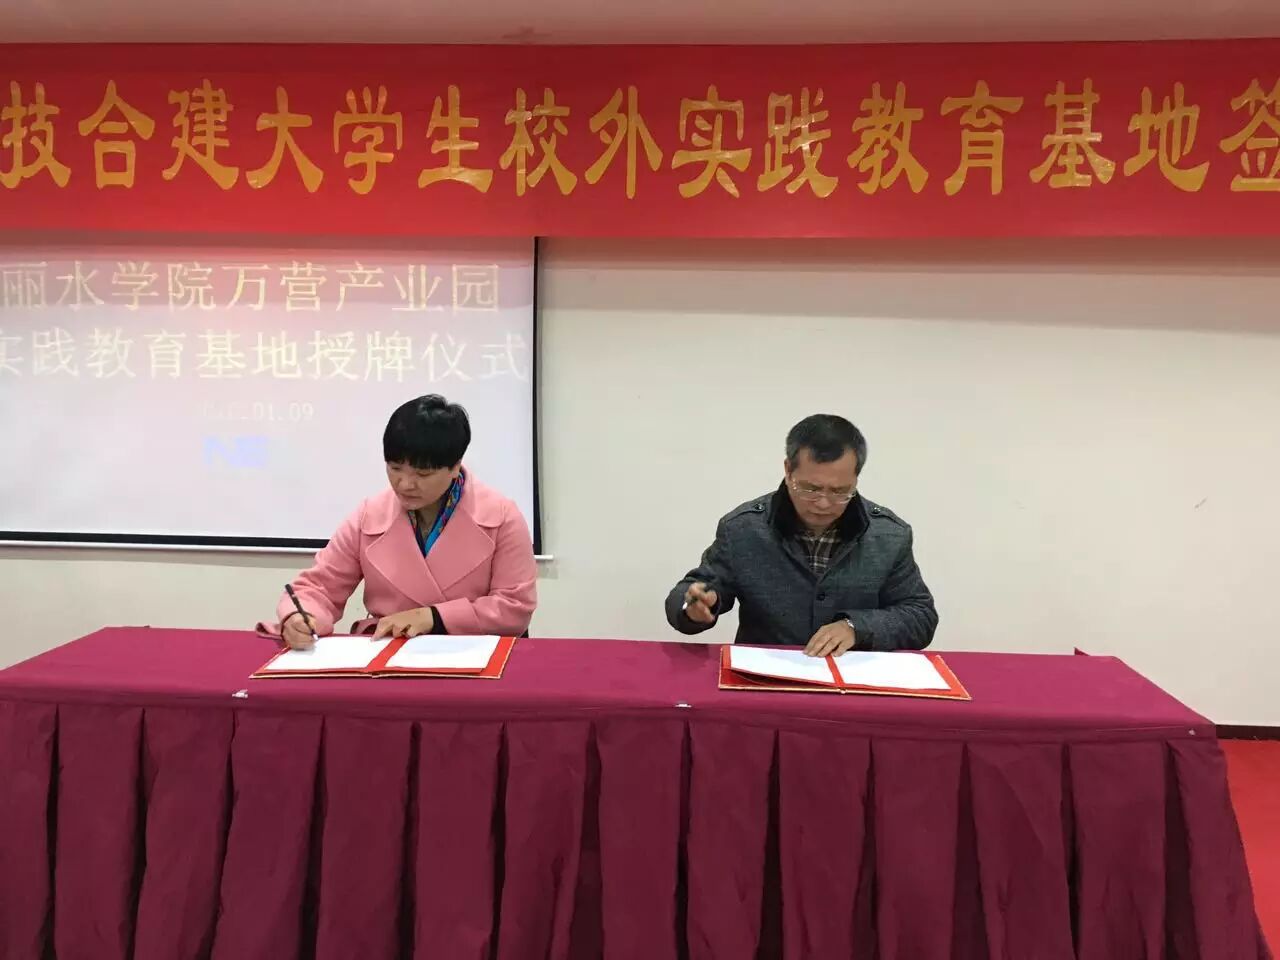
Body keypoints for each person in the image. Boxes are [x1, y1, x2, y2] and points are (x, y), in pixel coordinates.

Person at [261, 395, 537, 649]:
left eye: (422, 474)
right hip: (388, 652)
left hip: (475, 654)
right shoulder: (369, 515)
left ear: (455, 466)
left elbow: (514, 608)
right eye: (395, 468)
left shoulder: (501, 516)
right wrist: (300, 616)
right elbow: (319, 587)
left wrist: (433, 617)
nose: (405, 484)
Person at [665, 414, 937, 657]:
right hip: (767, 679)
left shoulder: (888, 535)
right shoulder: (744, 529)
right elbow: (694, 591)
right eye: (810, 489)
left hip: (852, 682)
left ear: (856, 478)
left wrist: (857, 627)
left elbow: (920, 616)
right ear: (788, 470)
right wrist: (694, 607)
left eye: (840, 491)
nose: (823, 503)